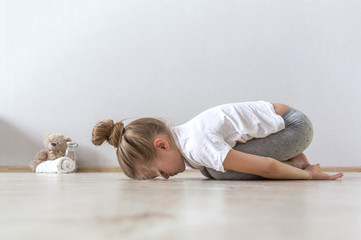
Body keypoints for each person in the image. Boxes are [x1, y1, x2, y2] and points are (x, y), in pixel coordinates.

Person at [91, 101, 343, 181]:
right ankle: (297, 159)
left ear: (161, 145)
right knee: (209, 170)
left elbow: (268, 166)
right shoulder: (184, 138)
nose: (166, 177)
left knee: (218, 171)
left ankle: (300, 164)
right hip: (284, 124)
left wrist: (309, 177)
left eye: (159, 172)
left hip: (294, 127)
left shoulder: (195, 145)